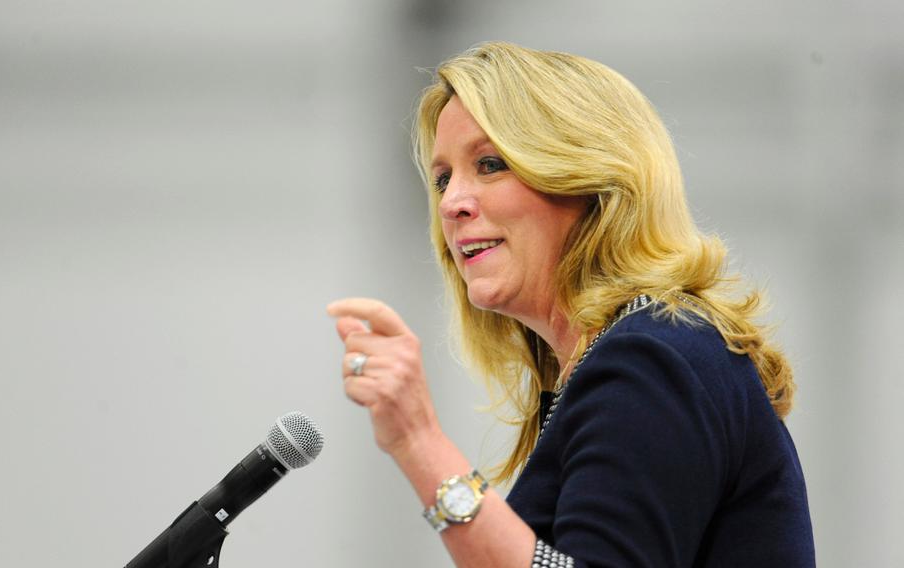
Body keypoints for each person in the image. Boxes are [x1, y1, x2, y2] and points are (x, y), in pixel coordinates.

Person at [327, 41, 815, 567]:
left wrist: (420, 442)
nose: (450, 203)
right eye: (444, 178)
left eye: (489, 164)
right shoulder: (627, 360)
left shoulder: (653, 359)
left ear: (590, 181)